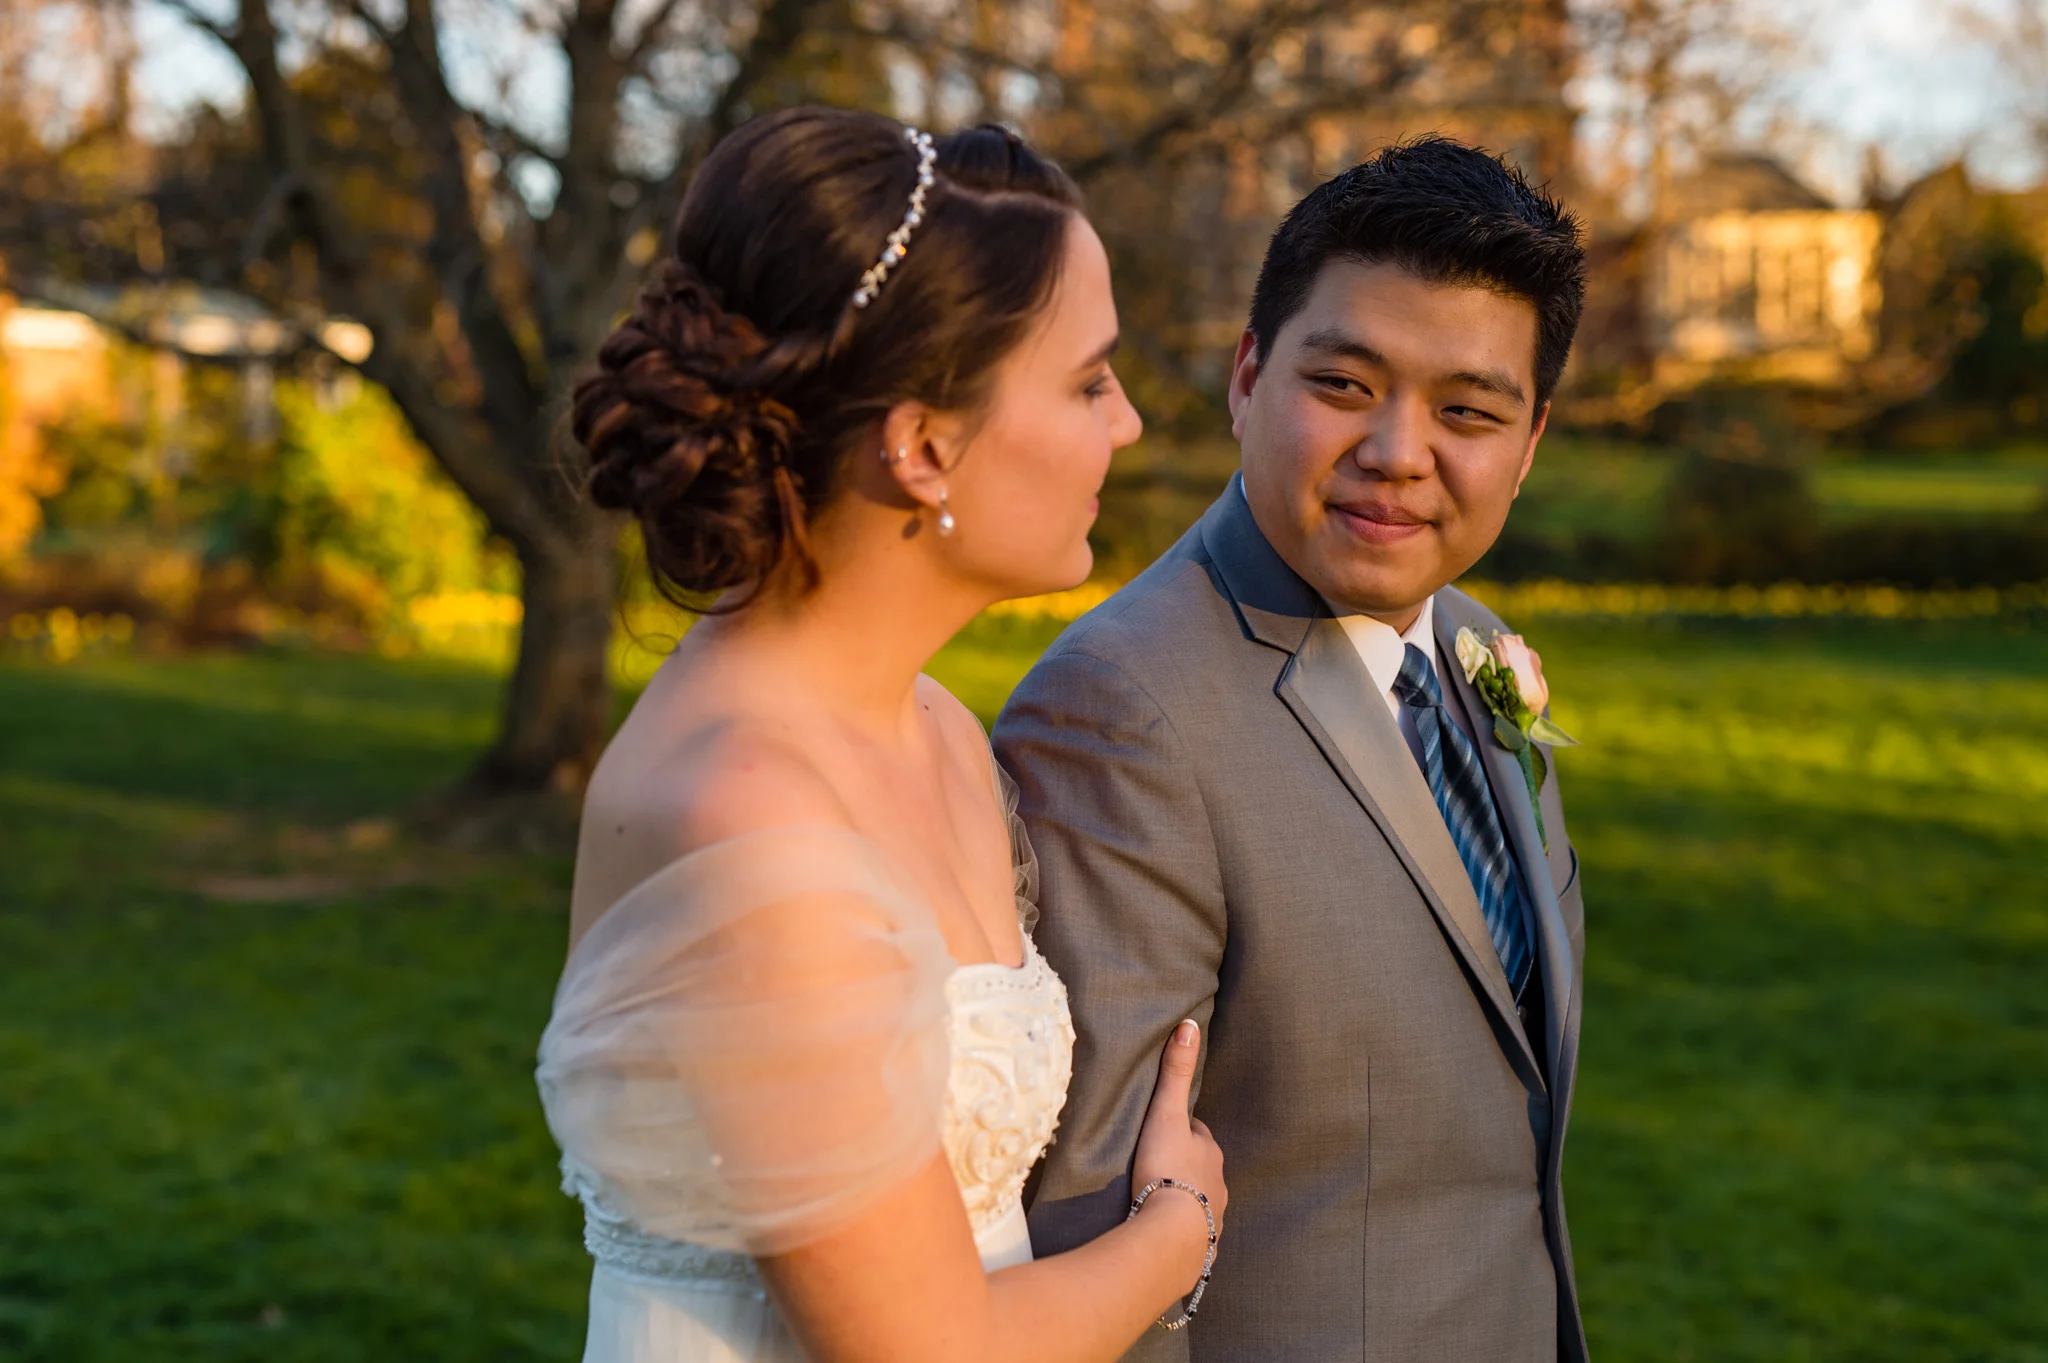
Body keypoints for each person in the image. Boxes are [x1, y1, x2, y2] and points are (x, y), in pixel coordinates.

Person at [533, 106, 1226, 1363]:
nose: (1125, 423)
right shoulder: (748, 816)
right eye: (1087, 381)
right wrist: (1177, 1223)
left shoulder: (941, 730)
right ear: (921, 447)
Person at [996, 135, 1591, 1362]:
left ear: (1528, 441)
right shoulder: (1121, 710)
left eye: (1466, 411)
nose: (1397, 452)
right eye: (1343, 384)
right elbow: (1089, 1230)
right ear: (1247, 376)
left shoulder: (1469, 645)